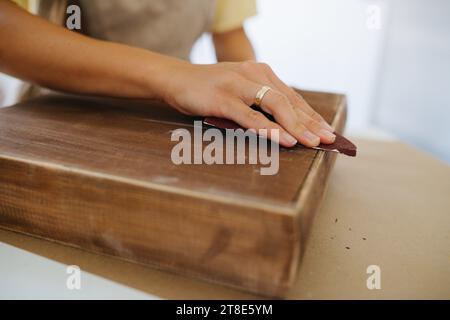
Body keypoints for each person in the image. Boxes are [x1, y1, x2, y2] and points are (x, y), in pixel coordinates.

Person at [0, 0, 336, 148]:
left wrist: (257, 102)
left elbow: (231, 37)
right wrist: (171, 76)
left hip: (169, 126)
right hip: (60, 122)